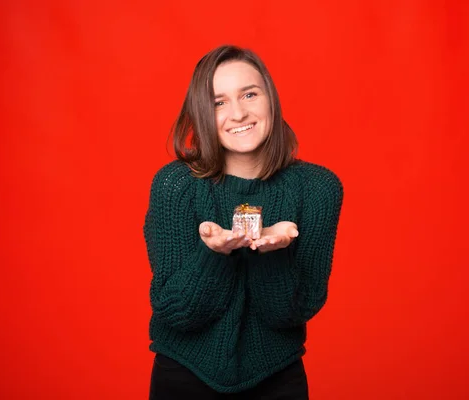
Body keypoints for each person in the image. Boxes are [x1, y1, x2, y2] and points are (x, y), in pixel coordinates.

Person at [143, 44, 343, 399]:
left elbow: (289, 314)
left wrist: (274, 252)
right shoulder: (174, 185)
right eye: (219, 102)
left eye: (249, 94)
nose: (238, 113)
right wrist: (213, 254)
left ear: (270, 99)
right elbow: (177, 312)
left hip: (277, 378)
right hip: (185, 376)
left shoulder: (318, 188)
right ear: (203, 113)